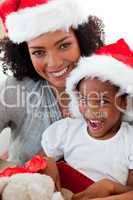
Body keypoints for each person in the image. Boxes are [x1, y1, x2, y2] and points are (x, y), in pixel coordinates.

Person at [0, 0, 104, 165]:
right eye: (39, 52)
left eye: (64, 45)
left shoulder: (111, 86)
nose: (54, 63)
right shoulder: (15, 89)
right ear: (26, 54)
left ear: (81, 40)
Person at [41, 39, 133, 199]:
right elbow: (42, 158)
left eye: (103, 101)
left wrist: (109, 187)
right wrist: (47, 163)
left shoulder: (129, 140)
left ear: (124, 102)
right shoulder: (67, 130)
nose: (91, 111)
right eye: (84, 100)